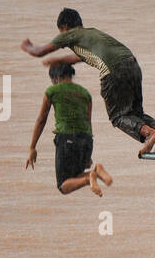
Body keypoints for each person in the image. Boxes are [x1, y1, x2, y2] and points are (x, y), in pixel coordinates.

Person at [20, 8, 155, 155]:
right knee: (135, 113)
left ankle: (150, 134)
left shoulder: (70, 34)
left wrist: (26, 46)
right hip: (132, 65)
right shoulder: (91, 33)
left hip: (113, 70)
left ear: (64, 27)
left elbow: (38, 52)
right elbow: (80, 57)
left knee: (117, 117)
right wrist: (59, 60)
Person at [25, 63, 113, 195]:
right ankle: (96, 171)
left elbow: (41, 119)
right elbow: (88, 122)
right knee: (76, 176)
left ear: (56, 78)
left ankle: (89, 178)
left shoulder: (52, 91)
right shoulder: (85, 94)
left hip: (67, 140)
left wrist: (32, 147)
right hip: (87, 141)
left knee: (63, 185)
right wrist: (88, 155)